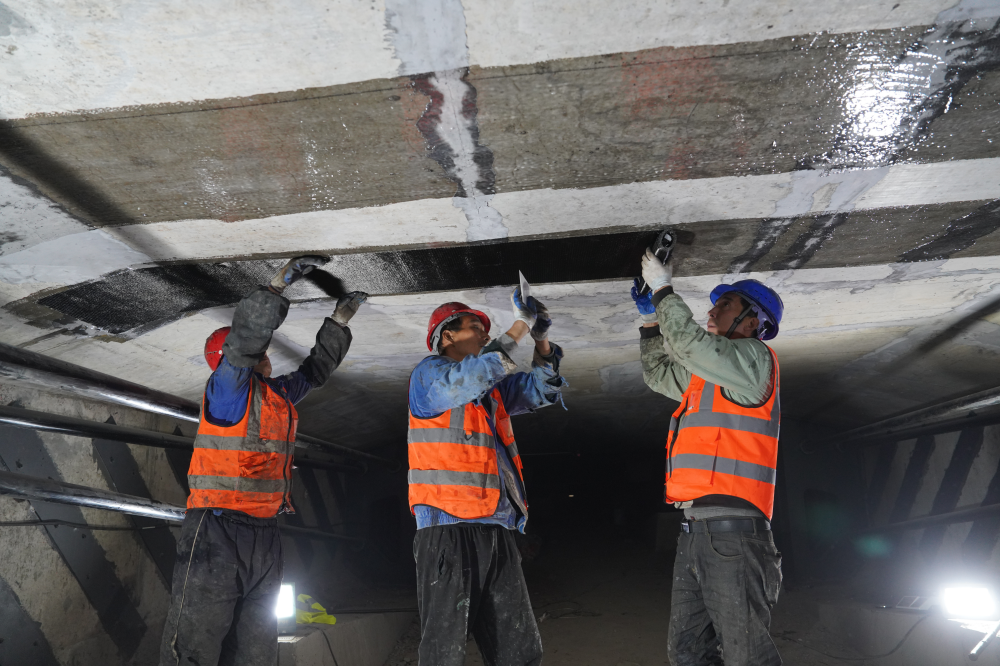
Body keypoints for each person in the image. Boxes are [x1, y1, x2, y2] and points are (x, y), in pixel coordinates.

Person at [160, 256, 368, 666]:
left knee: (256, 649)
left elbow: (315, 371)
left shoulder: (277, 397)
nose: (265, 358)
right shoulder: (226, 392)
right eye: (259, 355)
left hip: (264, 534)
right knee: (195, 648)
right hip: (216, 530)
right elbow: (244, 342)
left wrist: (339, 324)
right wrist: (274, 290)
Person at [633, 249, 785, 666]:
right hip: (697, 533)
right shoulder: (709, 376)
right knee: (687, 651)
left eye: (725, 304)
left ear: (752, 322)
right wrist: (650, 321)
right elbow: (660, 374)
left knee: (746, 654)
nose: (712, 309)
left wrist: (663, 289)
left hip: (735, 535)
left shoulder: (755, 362)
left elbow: (687, 342)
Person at [407, 288, 567, 666]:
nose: (483, 333)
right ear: (447, 337)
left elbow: (541, 390)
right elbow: (470, 377)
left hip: (495, 528)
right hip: (447, 528)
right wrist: (516, 330)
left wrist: (540, 339)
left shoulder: (489, 392)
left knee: (519, 650)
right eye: (475, 327)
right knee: (443, 652)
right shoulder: (428, 376)